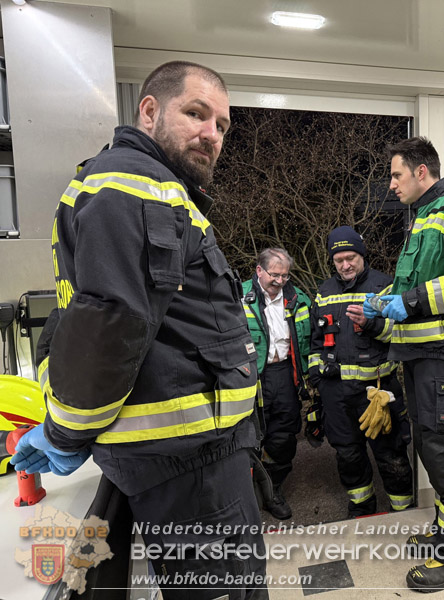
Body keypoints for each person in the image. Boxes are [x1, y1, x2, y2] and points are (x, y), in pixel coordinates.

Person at [11, 61, 266, 600]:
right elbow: (112, 322)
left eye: (222, 125)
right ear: (148, 111)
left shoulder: (150, 188)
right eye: (196, 114)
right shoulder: (138, 185)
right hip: (192, 468)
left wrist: (66, 428)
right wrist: (64, 431)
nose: (212, 135)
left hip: (186, 460)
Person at [363, 137, 444, 592]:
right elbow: (416, 293)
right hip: (420, 359)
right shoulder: (422, 219)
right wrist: (383, 307)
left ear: (422, 172)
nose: (391, 183)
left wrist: (409, 301)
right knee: (431, 449)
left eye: (397, 174)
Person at [308, 226, 413, 518]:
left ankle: (402, 511)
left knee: (391, 453)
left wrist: (371, 325)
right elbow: (314, 342)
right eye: (339, 259)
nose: (345, 265)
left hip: (378, 391)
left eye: (351, 257)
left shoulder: (385, 286)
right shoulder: (324, 292)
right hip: (336, 393)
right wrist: (317, 378)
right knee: (347, 454)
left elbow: (402, 334)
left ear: (362, 255)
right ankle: (362, 509)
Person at [242, 247, 311, 519]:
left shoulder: (297, 299)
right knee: (248, 435)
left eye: (285, 276)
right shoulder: (239, 297)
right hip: (250, 377)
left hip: (284, 373)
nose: (280, 281)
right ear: (259, 270)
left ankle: (273, 491)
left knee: (283, 436)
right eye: (275, 275)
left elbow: (308, 340)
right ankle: (246, 498)